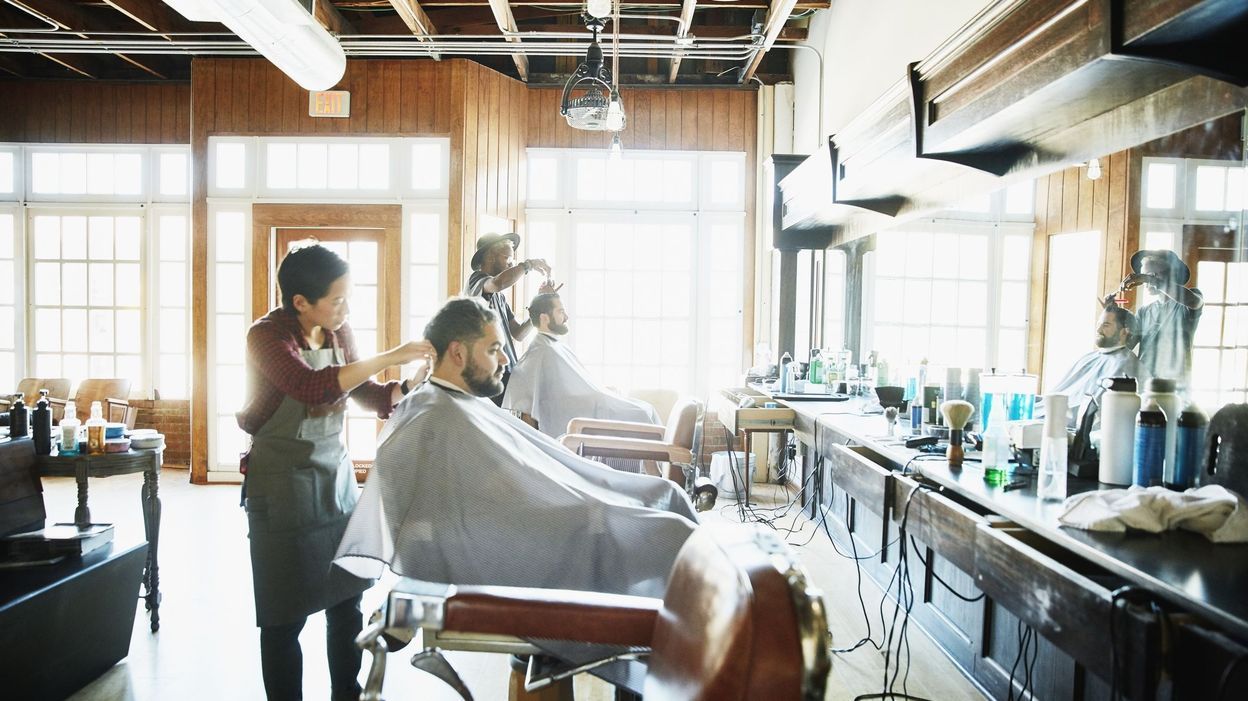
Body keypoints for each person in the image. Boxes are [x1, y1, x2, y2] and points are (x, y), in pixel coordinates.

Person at [334, 297, 697, 600]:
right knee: (670, 533)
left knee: (665, 493)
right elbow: (486, 507)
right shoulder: (433, 416)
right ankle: (690, 657)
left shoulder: (456, 402)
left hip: (523, 522)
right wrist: (587, 508)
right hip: (498, 545)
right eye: (494, 350)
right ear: (457, 353)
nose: (506, 360)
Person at [237, 243, 434, 701]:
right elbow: (310, 387)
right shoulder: (266, 337)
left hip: (334, 482)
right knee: (284, 616)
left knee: (346, 602)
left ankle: (347, 693)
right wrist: (392, 355)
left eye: (348, 298)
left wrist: (404, 387)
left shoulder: (338, 330)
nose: (346, 309)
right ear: (301, 302)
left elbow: (361, 391)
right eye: (337, 300)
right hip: (280, 485)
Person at [503, 293, 661, 438]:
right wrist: (596, 395)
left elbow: (574, 385)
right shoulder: (541, 351)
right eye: (560, 312)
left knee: (646, 409)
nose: (566, 317)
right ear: (544, 318)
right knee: (642, 414)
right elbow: (534, 404)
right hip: (583, 412)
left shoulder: (555, 346)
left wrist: (600, 390)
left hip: (593, 402)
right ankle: (656, 467)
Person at [463, 232, 559, 404]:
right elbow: (499, 283)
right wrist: (528, 265)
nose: (511, 263)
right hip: (487, 374)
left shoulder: (499, 297)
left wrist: (538, 306)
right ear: (491, 257)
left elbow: (518, 334)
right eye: (507, 257)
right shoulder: (476, 281)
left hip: (506, 372)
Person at [1037, 303, 1140, 428]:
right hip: (1049, 415)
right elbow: (1060, 391)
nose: (1098, 330)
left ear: (1124, 332)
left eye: (1106, 325)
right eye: (1098, 324)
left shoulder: (1124, 364)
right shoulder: (1089, 358)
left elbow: (1094, 412)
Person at [1113, 249, 1203, 387]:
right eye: (1144, 276)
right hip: (1144, 386)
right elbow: (1126, 346)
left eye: (1153, 276)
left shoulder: (1188, 302)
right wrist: (1112, 313)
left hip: (1176, 387)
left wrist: (1150, 279)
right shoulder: (1143, 312)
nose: (1146, 281)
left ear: (1172, 276)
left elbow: (1194, 302)